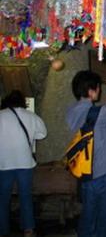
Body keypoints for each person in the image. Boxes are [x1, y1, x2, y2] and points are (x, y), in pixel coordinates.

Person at [66, 71, 106, 237]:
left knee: (88, 218)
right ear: (91, 91)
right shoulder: (96, 113)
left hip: (86, 174)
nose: (99, 91)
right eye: (98, 88)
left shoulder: (72, 110)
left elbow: (93, 123)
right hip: (105, 173)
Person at [0, 90, 47, 237]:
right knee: (25, 196)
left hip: (4, 163)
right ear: (22, 102)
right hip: (25, 163)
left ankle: (3, 230)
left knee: (3, 198)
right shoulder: (31, 116)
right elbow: (43, 133)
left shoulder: (1, 115)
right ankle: (28, 229)